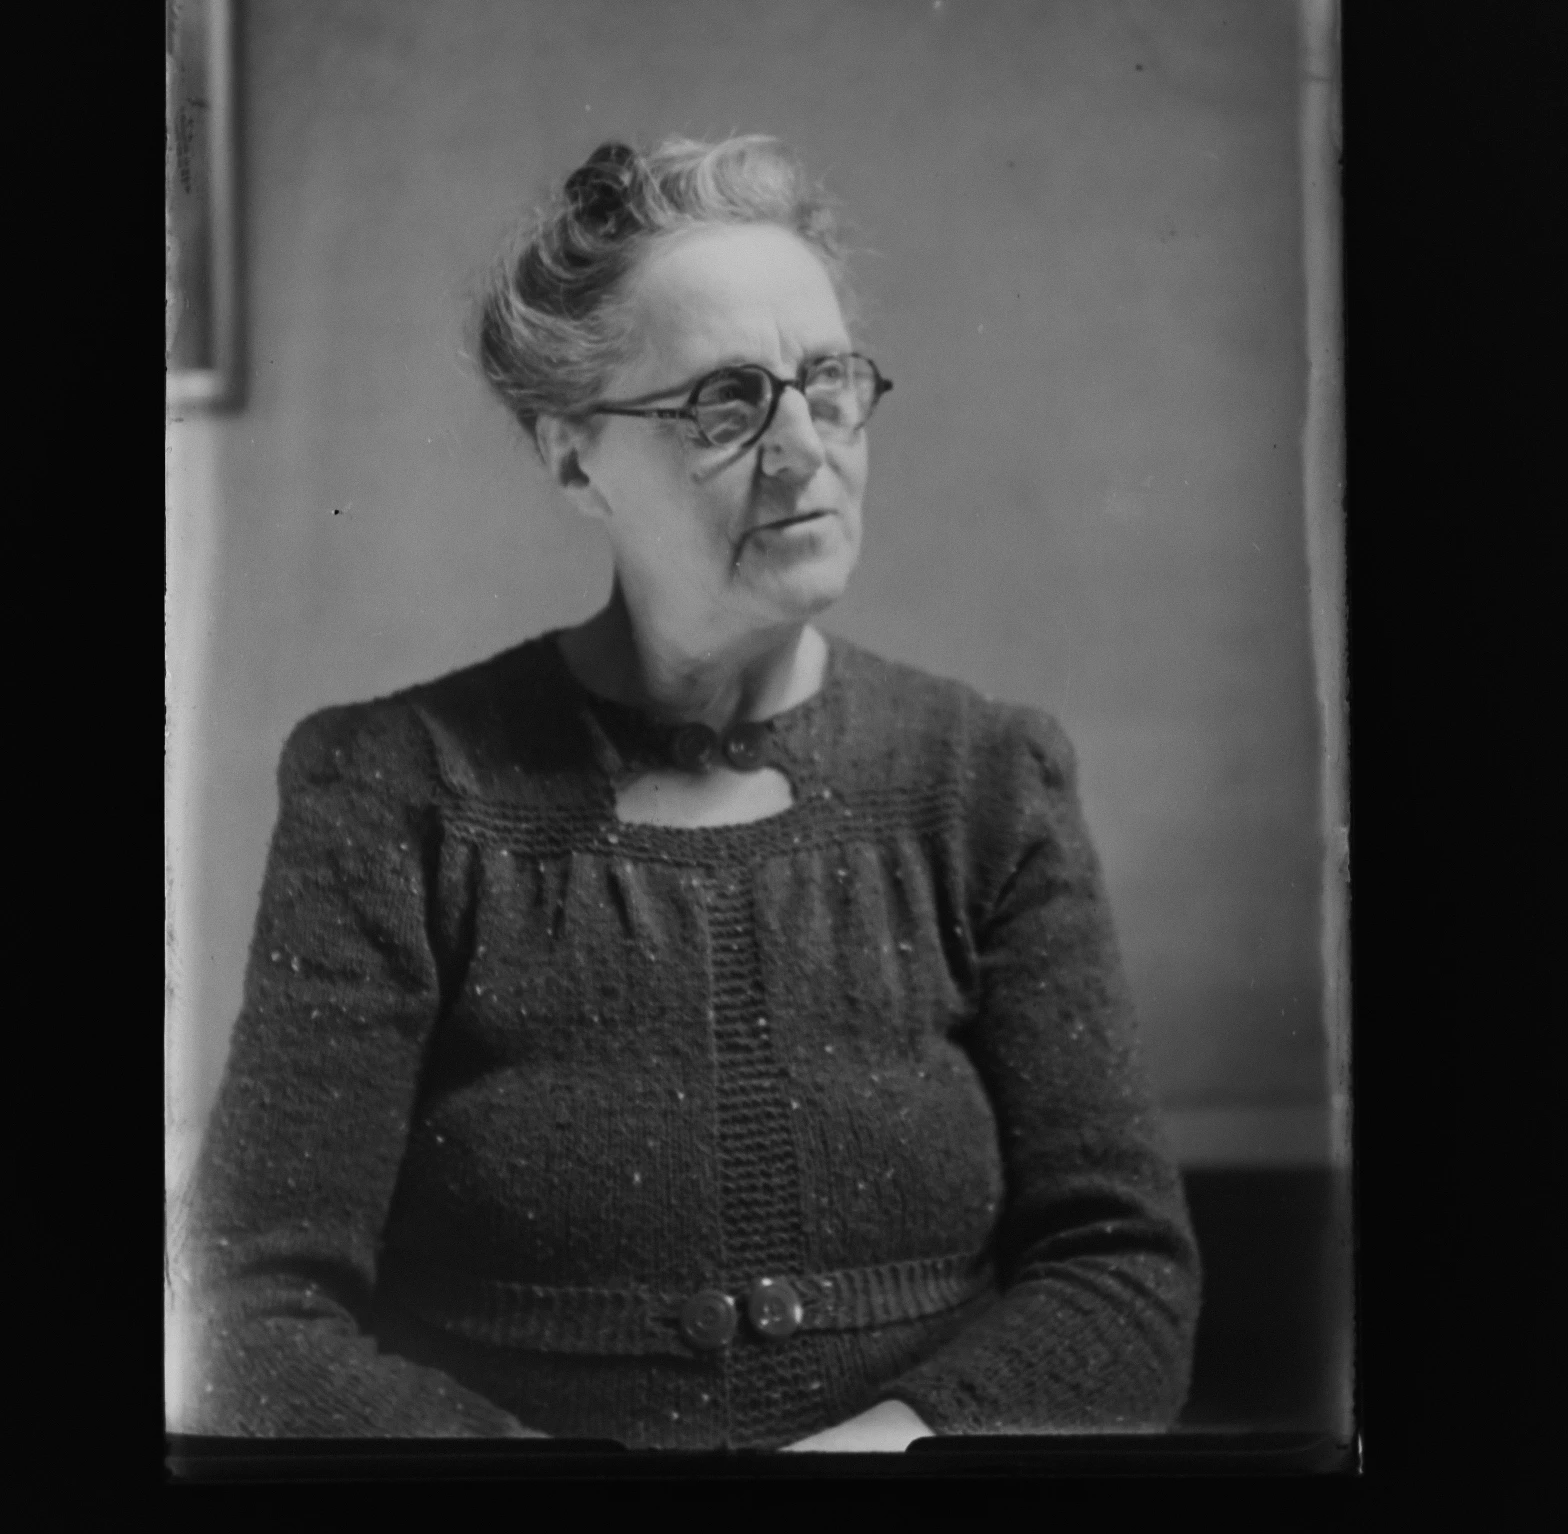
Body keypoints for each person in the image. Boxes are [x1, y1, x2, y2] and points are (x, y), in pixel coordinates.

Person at [181, 134, 1200, 1449]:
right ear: (569, 456)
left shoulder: (986, 782)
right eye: (725, 404)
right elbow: (250, 1318)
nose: (801, 452)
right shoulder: (393, 792)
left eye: (825, 384)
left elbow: (1123, 1282)